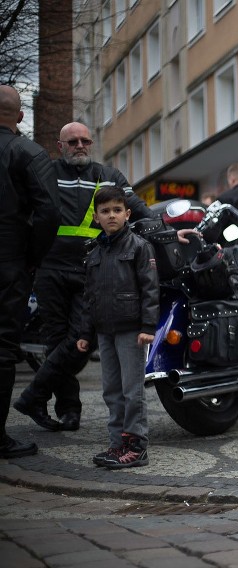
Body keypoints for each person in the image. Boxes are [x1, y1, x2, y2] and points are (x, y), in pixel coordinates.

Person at [14, 122, 155, 433]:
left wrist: (167, 230)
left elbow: (138, 208)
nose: (80, 145)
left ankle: (33, 394)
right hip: (49, 268)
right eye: (73, 141)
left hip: (88, 268)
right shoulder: (46, 170)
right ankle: (69, 410)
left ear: (92, 143)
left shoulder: (108, 176)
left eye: (85, 140)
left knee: (80, 341)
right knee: (55, 340)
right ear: (60, 145)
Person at [75, 186, 158, 468]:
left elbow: (150, 289)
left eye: (117, 210)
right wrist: (86, 333)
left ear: (127, 214)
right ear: (96, 217)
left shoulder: (139, 246)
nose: (111, 215)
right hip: (104, 331)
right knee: (111, 389)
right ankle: (116, 445)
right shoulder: (95, 252)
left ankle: (136, 446)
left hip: (132, 331)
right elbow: (90, 296)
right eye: (105, 211)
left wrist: (148, 326)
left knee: (132, 390)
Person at [0, 85, 60, 459]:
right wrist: (31, 257)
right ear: (20, 116)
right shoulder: (27, 152)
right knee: (3, 349)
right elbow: (49, 213)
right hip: (9, 263)